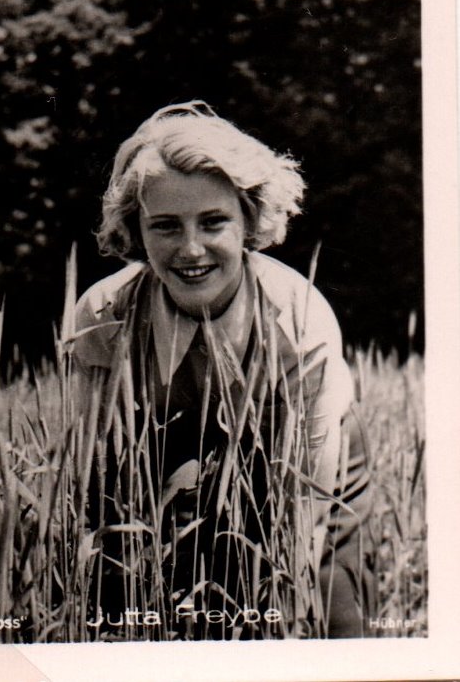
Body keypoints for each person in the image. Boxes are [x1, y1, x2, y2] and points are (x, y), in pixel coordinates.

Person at [74, 101, 376, 640]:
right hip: (163, 462)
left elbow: (304, 510)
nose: (190, 250)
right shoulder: (104, 315)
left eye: (213, 222)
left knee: (327, 614)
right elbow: (98, 475)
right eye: (165, 226)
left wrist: (285, 607)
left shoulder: (299, 319)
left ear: (248, 220)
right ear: (136, 230)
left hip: (306, 474)